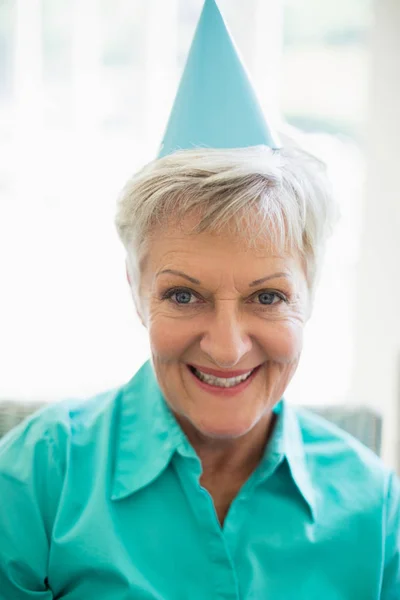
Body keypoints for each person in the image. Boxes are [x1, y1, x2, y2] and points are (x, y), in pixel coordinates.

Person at [1, 1, 399, 598]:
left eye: (267, 296)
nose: (227, 345)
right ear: (137, 294)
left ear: (310, 297)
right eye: (184, 295)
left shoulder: (377, 511)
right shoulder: (37, 476)